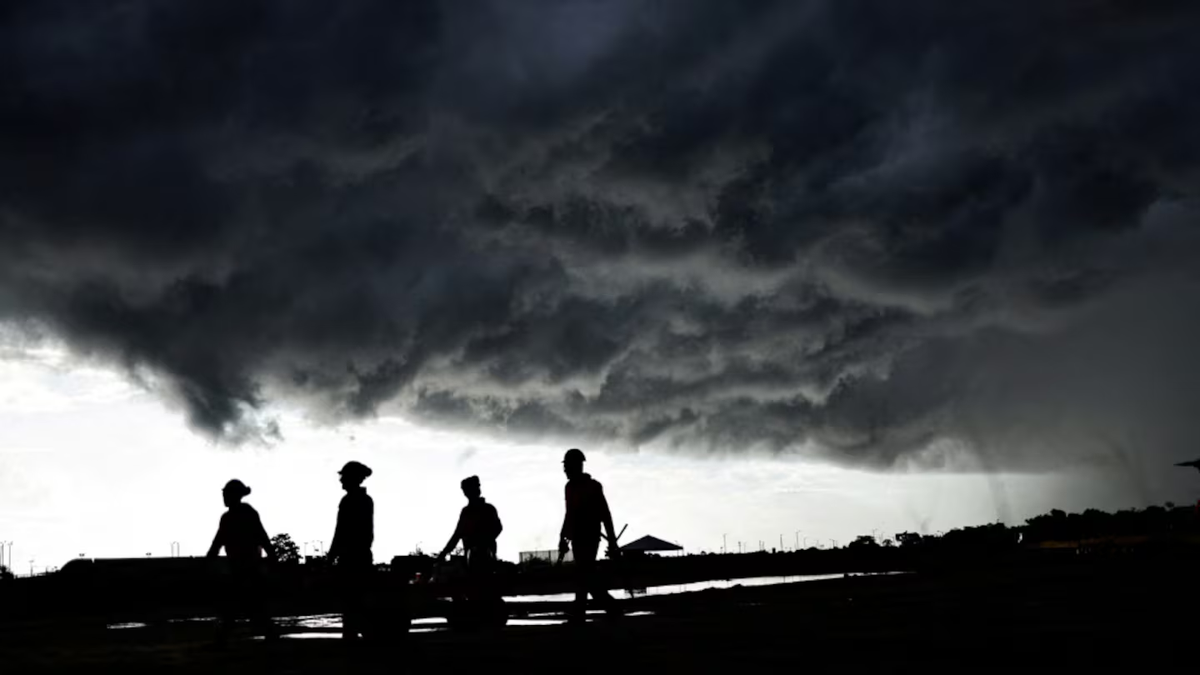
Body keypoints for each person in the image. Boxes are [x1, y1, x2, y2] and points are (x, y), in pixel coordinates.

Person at [206, 479, 277, 642]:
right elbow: (218, 542)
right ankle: (269, 635)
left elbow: (261, 535)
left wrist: (272, 556)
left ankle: (224, 638)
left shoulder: (246, 513)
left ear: (234, 495)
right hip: (239, 567)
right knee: (246, 604)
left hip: (249, 566)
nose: (224, 497)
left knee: (243, 604)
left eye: (226, 494)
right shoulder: (228, 518)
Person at [558, 448, 622, 624]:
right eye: (565, 467)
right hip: (577, 537)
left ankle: (583, 611)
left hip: (590, 537)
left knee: (583, 574)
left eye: (567, 466)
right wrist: (563, 537)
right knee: (586, 576)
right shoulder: (569, 488)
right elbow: (569, 514)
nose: (565, 470)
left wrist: (612, 540)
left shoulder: (593, 487)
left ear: (576, 466)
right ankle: (608, 608)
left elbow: (605, 514)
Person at [437, 476, 503, 626]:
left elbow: (497, 528)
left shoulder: (487, 509)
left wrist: (484, 541)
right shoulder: (467, 512)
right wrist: (443, 553)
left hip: (484, 557)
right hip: (471, 558)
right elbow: (457, 534)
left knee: (481, 587)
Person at [327, 460, 374, 641]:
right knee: (358, 600)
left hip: (351, 558)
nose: (341, 480)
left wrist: (331, 557)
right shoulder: (366, 500)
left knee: (351, 601)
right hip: (361, 555)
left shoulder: (349, 501)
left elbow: (340, 531)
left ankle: (354, 636)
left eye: (343, 477)